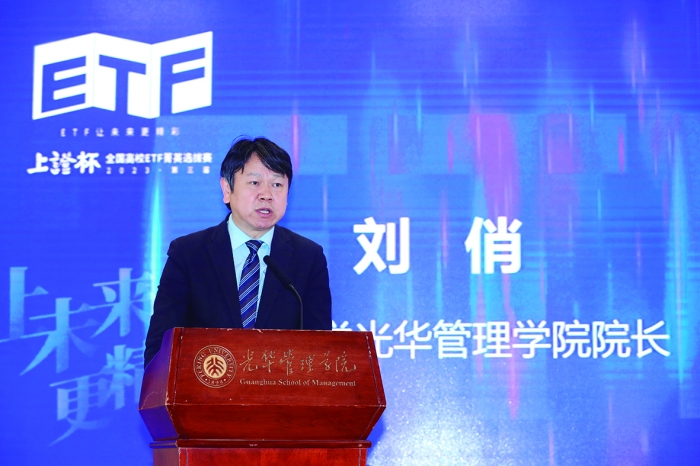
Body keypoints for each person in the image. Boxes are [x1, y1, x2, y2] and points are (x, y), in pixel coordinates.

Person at [144, 137, 332, 366]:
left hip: (279, 386)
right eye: (254, 182)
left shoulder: (308, 257)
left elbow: (321, 349)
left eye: (277, 184)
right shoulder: (188, 254)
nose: (266, 194)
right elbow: (161, 345)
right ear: (227, 189)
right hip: (208, 384)